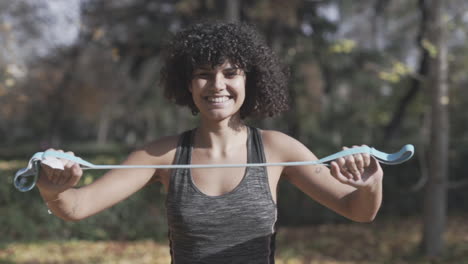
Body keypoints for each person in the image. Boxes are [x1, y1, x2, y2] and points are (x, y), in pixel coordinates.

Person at [37, 22, 383, 263]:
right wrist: (55, 189)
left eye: (230, 73)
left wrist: (369, 186)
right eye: (203, 74)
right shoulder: (161, 155)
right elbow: (77, 207)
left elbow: (358, 211)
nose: (217, 85)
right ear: (188, 85)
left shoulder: (279, 149)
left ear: (250, 81)